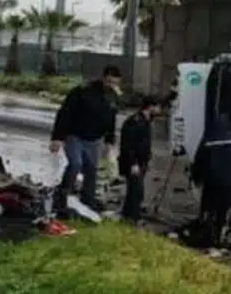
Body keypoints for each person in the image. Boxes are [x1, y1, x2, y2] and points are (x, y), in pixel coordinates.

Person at [49, 65, 121, 215]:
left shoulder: (113, 96)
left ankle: (87, 200)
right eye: (108, 82)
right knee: (75, 164)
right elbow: (65, 113)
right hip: (75, 135)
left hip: (95, 139)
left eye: (114, 83)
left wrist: (109, 141)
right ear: (102, 78)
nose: (111, 85)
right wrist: (57, 138)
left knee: (91, 170)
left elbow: (111, 119)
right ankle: (61, 197)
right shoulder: (83, 91)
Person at [189, 113, 231, 246]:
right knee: (226, 207)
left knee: (209, 206)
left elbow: (200, 160)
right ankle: (222, 231)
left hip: (213, 181)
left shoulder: (209, 138)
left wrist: (195, 177)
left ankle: (208, 231)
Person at [118, 95, 161, 224]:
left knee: (134, 189)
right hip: (133, 161)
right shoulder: (135, 121)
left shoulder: (147, 120)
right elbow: (128, 145)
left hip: (142, 160)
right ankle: (133, 217)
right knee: (136, 190)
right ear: (151, 107)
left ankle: (128, 214)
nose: (160, 110)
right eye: (158, 107)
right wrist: (133, 163)